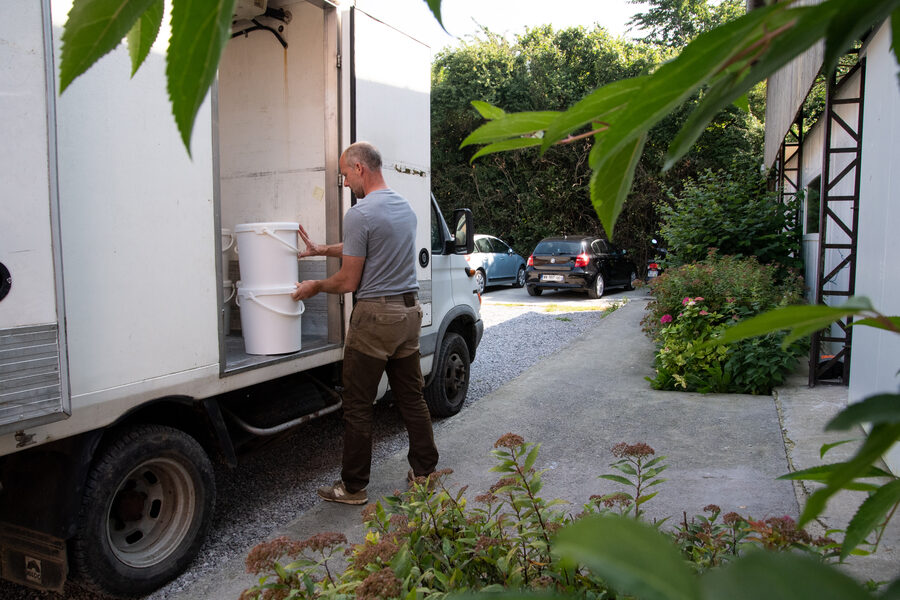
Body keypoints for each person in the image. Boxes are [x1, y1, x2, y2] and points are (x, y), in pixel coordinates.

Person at [291, 141, 438, 505]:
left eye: (345, 174)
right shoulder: (404, 208)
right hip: (409, 313)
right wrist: (323, 249)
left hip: (375, 319)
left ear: (359, 168)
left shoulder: (360, 212)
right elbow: (369, 244)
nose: (345, 183)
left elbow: (348, 281)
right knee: (412, 398)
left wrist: (314, 287)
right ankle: (425, 473)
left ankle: (353, 487)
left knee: (358, 405)